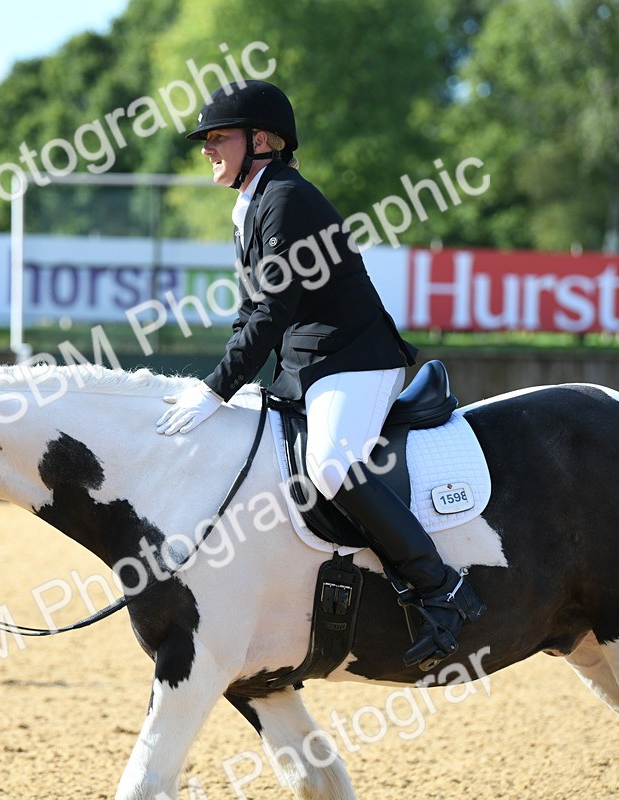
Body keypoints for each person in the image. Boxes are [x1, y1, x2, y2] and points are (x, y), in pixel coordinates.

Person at [155, 80, 485, 669]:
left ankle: (440, 586)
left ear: (262, 140)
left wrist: (216, 387)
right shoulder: (252, 203)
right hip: (306, 363)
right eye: (205, 138)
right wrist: (221, 384)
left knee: (330, 465)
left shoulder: (285, 198)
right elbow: (251, 312)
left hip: (353, 359)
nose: (206, 147)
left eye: (217, 137)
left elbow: (274, 309)